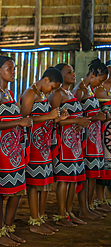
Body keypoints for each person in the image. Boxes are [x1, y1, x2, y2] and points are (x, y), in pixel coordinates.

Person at [0, 56, 31, 247]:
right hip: (1, 150)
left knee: (17, 190)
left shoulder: (9, 93)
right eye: (10, 68)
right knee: (3, 192)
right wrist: (19, 122)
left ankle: (8, 228)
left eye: (14, 69)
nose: (13, 72)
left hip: (13, 149)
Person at [20, 67, 68, 235]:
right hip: (33, 145)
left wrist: (58, 117)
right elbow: (24, 119)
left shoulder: (43, 95)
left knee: (46, 182)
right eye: (53, 87)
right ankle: (34, 220)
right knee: (34, 183)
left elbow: (46, 117)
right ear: (45, 79)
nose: (53, 91)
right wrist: (48, 117)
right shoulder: (29, 93)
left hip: (44, 145)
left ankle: (41, 218)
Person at [49, 63, 90, 226]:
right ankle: (61, 215)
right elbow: (55, 120)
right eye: (69, 72)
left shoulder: (71, 93)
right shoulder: (57, 94)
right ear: (59, 75)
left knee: (73, 178)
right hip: (64, 143)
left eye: (73, 71)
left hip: (75, 143)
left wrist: (79, 123)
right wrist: (76, 120)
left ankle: (69, 212)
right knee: (64, 179)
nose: (73, 74)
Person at [73, 58, 109, 219]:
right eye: (100, 80)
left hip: (93, 139)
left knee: (93, 173)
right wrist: (97, 117)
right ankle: (83, 208)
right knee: (87, 174)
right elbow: (77, 116)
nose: (100, 84)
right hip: (84, 140)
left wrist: (100, 116)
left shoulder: (90, 90)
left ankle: (89, 205)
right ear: (93, 74)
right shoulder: (79, 90)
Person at [94, 60, 111, 212]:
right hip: (103, 131)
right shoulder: (98, 90)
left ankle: (107, 196)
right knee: (103, 165)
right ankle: (100, 197)